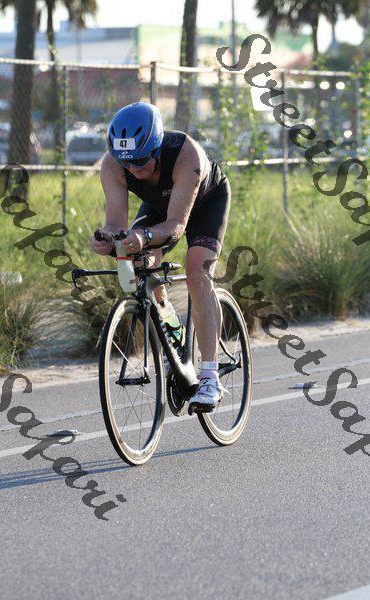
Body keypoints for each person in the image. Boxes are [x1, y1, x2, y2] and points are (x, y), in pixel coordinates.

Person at [91, 101, 231, 411]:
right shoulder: (114, 164)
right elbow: (115, 224)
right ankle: (175, 341)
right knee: (141, 263)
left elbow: (177, 226)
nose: (133, 169)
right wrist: (108, 238)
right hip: (159, 208)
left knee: (197, 271)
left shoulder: (186, 155)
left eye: (141, 160)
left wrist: (143, 237)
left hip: (205, 205)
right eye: (126, 162)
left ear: (156, 147)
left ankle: (210, 376)